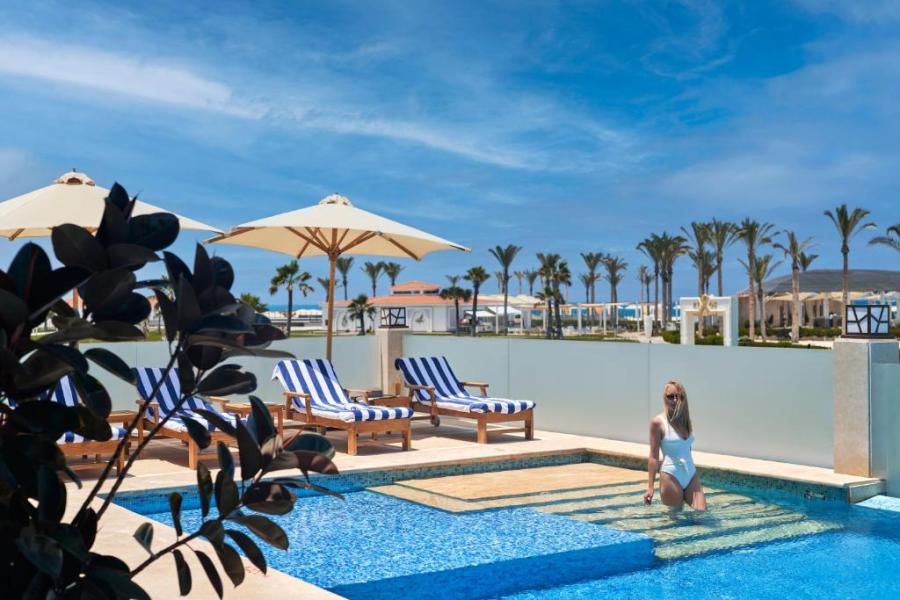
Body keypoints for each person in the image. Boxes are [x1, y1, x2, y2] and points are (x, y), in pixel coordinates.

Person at [643, 381, 707, 511]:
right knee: (676, 518)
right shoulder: (658, 423)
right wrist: (650, 487)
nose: (674, 400)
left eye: (678, 396)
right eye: (670, 396)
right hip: (671, 474)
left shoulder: (686, 421)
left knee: (702, 514)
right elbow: (653, 456)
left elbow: (687, 448)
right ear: (664, 398)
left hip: (690, 473)